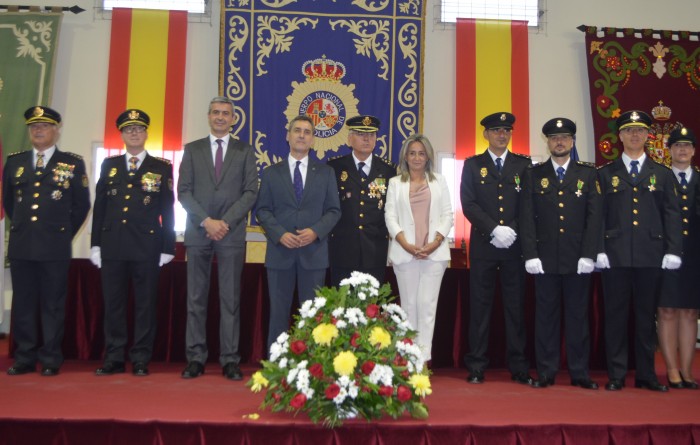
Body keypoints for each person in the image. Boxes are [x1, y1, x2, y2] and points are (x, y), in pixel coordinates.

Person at [596, 110, 682, 392]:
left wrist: (673, 250)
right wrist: (599, 249)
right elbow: (597, 216)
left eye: (640, 131)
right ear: (620, 136)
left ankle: (646, 375)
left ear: (648, 136)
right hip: (615, 255)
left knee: (646, 317)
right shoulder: (606, 174)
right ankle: (617, 374)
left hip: (651, 255)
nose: (635, 135)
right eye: (629, 131)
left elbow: (672, 214)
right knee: (616, 316)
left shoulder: (663, 174)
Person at [2, 106, 90, 376]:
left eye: (44, 126)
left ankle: (51, 357)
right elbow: (9, 202)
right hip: (22, 245)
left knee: (52, 304)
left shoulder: (72, 163)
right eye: (33, 127)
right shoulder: (15, 162)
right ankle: (25, 357)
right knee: (24, 302)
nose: (38, 130)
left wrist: (62, 233)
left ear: (56, 130)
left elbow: (81, 206)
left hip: (54, 247)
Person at [178, 97, 259, 380]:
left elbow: (250, 192)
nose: (221, 117)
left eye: (226, 113)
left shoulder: (244, 151)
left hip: (231, 234)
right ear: (208, 116)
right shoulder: (192, 149)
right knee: (196, 299)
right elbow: (184, 191)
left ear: (233, 118)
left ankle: (230, 359)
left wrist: (224, 222)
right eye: (216, 112)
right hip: (199, 233)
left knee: (230, 300)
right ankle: (195, 358)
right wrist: (206, 221)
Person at [90, 109, 176, 377]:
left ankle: (140, 357)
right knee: (114, 304)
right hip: (113, 245)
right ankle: (114, 357)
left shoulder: (161, 166)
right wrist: (95, 244)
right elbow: (100, 206)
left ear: (146, 133)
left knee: (144, 305)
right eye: (129, 130)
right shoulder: (110, 165)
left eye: (139, 129)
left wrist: (167, 246)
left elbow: (168, 210)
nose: (134, 133)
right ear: (122, 134)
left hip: (146, 247)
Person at [519, 118, 602, 389]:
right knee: (546, 318)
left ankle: (580, 372)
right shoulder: (534, 174)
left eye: (565, 137)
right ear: (548, 142)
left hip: (578, 260)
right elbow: (527, 218)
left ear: (572, 142)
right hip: (545, 260)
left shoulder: (589, 175)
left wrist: (589, 254)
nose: (559, 141)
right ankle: (546, 371)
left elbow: (595, 217)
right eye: (554, 137)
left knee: (579, 317)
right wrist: (530, 254)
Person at [460, 112, 536, 386]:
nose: (501, 135)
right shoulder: (473, 165)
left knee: (515, 309)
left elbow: (529, 204)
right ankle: (477, 364)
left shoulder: (523, 165)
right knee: (480, 309)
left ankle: (518, 366)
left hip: (515, 248)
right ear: (486, 135)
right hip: (484, 246)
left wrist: (511, 230)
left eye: (506, 130)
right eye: (496, 131)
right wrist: (493, 229)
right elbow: (468, 204)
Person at [257, 115, 341, 352]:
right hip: (280, 253)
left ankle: (312, 365)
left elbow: (334, 210)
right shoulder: (272, 172)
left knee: (313, 316)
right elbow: (262, 210)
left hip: (313, 255)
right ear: (288, 135)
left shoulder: (325, 173)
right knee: (278, 314)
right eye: (297, 130)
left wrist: (316, 231)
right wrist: (280, 234)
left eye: (307, 131)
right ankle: (277, 364)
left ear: (313, 139)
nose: (302, 135)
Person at [384, 134, 453, 362]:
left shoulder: (439, 181)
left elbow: (447, 215)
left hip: (434, 255)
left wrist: (434, 244)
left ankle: (422, 359)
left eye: (421, 153)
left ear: (428, 156)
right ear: (405, 156)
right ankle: (408, 357)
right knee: (409, 306)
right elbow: (390, 217)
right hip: (405, 253)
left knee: (427, 306)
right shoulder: (395, 183)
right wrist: (406, 244)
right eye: (412, 153)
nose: (416, 157)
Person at [328, 115, 396, 286]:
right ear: (349, 139)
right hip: (342, 249)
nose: (367, 139)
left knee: (371, 307)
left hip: (374, 250)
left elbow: (392, 210)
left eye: (372, 135)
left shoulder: (388, 170)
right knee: (340, 308)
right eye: (360, 134)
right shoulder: (334, 168)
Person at [657, 127, 699, 390]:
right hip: (665, 256)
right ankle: (671, 369)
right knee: (667, 310)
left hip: (695, 256)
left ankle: (687, 370)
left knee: (691, 312)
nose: (682, 150)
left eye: (687, 146)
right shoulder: (660, 180)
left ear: (693, 151)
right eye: (677, 146)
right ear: (669, 151)